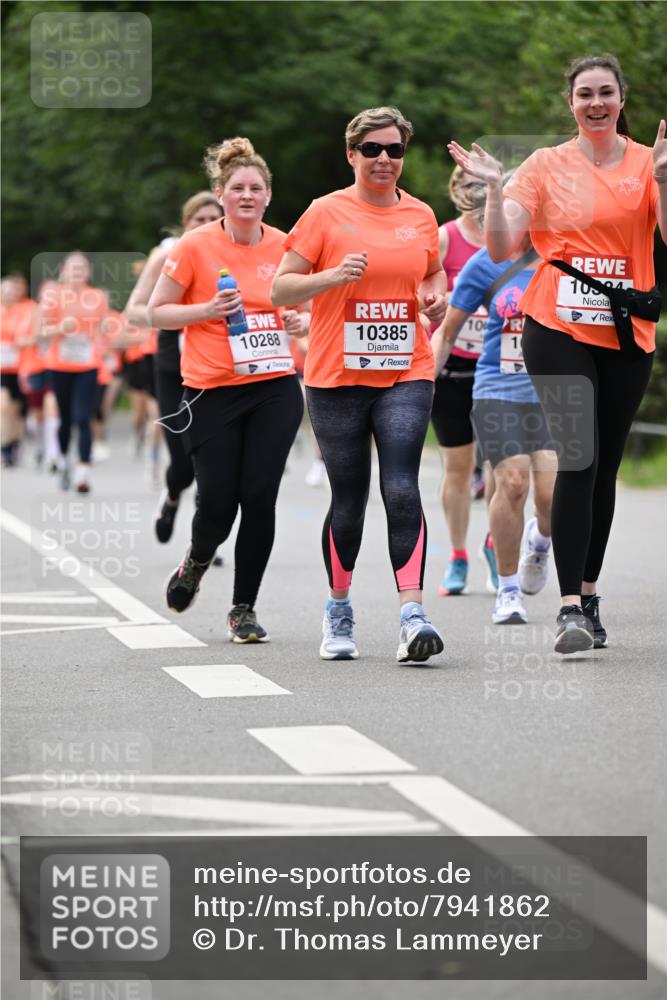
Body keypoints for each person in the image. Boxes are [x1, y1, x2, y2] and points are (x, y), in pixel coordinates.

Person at [448, 53, 666, 652]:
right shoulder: (545, 166)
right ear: (570, 104)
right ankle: (570, 608)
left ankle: (589, 597)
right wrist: (495, 188)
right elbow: (499, 245)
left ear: (622, 100)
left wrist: (666, 183)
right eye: (584, 94)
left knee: (604, 469)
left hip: (626, 331)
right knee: (578, 455)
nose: (595, 103)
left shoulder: (651, 163)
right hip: (556, 325)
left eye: (606, 93)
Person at [272, 106, 448, 663]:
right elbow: (281, 289)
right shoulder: (325, 213)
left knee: (401, 486)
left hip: (405, 369)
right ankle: (339, 607)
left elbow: (432, 272)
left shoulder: (421, 215)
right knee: (348, 499)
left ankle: (412, 614)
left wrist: (436, 297)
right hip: (335, 376)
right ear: (352, 154)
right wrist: (332, 275)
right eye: (371, 149)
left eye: (394, 150)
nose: (383, 159)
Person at [148, 137, 307, 642]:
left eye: (255, 188)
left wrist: (298, 320)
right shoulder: (193, 247)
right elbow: (157, 311)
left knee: (259, 496)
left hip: (274, 387)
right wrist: (205, 312)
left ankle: (244, 608)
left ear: (267, 196)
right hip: (211, 390)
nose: (246, 195)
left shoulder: (286, 246)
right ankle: (195, 562)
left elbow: (300, 305)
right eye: (237, 187)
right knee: (218, 503)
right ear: (220, 194)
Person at [432, 234, 557, 625]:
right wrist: (422, 386)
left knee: (554, 497)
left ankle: (539, 541)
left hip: (558, 391)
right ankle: (507, 589)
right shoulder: (485, 263)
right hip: (498, 387)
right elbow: (448, 331)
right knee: (514, 483)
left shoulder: (563, 252)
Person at [125, 192, 224, 539]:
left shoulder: (234, 257)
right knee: (183, 464)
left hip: (219, 370)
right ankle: (170, 497)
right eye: (200, 219)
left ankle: (204, 538)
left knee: (212, 465)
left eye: (214, 218)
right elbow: (135, 311)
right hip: (174, 369)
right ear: (186, 224)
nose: (208, 225)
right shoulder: (168, 256)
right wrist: (184, 314)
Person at [430, 168, 498, 596]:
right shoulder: (444, 238)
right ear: (455, 191)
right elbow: (425, 298)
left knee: (502, 471)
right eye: (467, 185)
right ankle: (458, 556)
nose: (476, 193)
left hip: (497, 371)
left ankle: (496, 545)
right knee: (457, 470)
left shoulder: (509, 240)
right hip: (452, 371)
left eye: (483, 185)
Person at [39, 253, 108, 492]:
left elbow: (103, 329)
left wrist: (102, 344)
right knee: (65, 420)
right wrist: (60, 328)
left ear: (88, 273)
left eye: (81, 268)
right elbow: (40, 332)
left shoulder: (97, 296)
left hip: (88, 365)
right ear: (64, 271)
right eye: (72, 268)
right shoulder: (52, 296)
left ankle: (83, 472)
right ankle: (65, 459)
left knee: (82, 417)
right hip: (59, 365)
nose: (77, 272)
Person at [1, 275, 33, 466]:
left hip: (22, 367)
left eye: (12, 291)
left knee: (16, 410)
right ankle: (4, 447)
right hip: (1, 368)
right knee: (3, 406)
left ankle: (14, 443)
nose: (9, 295)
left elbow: (32, 338)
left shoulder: (25, 311)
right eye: (4, 291)